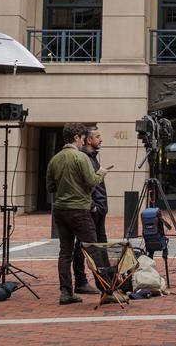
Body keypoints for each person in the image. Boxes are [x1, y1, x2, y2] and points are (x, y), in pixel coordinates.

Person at [47, 123, 110, 305]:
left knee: (65, 252)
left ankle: (66, 292)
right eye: (82, 137)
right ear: (76, 138)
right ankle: (107, 290)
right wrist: (101, 173)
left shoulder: (55, 159)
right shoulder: (80, 157)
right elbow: (91, 182)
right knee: (94, 250)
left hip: (60, 211)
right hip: (80, 210)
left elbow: (50, 187)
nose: (84, 140)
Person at [71, 125, 107, 295]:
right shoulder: (84, 158)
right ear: (88, 139)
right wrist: (93, 206)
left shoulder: (93, 157)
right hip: (92, 210)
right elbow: (86, 185)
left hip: (100, 209)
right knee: (84, 246)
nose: (100, 139)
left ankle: (106, 280)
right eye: (97, 136)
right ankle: (81, 281)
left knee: (100, 245)